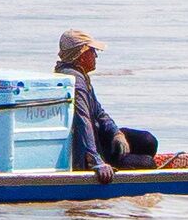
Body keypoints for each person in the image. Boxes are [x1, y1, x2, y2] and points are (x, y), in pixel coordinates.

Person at [56, 30, 157, 183]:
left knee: (147, 140)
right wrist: (96, 161)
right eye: (93, 51)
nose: (96, 56)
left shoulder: (81, 76)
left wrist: (116, 133)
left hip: (99, 137)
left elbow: (99, 112)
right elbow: (83, 121)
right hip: (88, 148)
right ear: (82, 55)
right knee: (148, 163)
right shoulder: (75, 81)